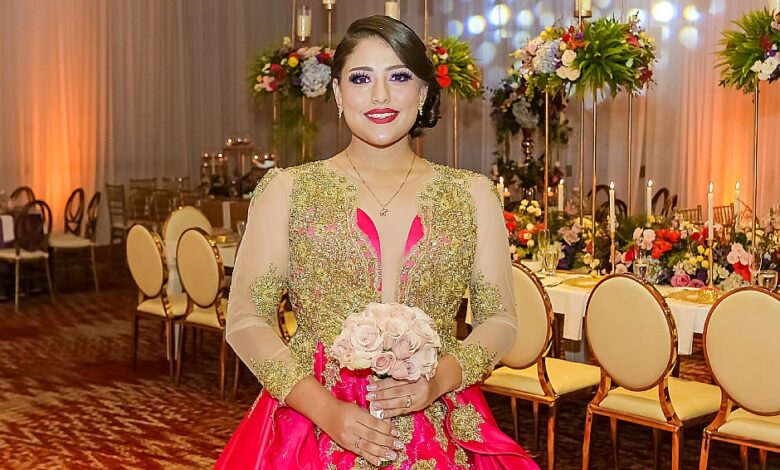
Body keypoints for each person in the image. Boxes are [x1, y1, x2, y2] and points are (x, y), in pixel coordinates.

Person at [216, 15, 539, 469]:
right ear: (337, 93)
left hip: (437, 418)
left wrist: (439, 380)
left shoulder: (472, 194)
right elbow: (247, 320)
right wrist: (326, 410)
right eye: (361, 78)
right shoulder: (288, 190)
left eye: (399, 77)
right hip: (310, 422)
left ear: (422, 92)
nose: (381, 95)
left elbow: (500, 319)